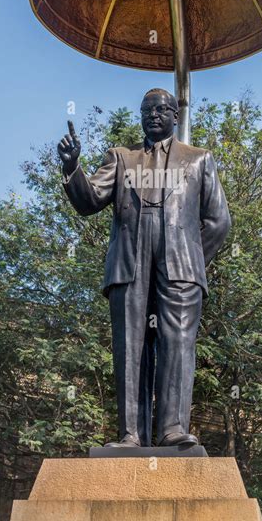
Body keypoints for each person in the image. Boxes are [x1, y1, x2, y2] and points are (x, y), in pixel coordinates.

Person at [58, 88, 231, 447]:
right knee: (128, 344)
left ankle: (173, 429)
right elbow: (90, 200)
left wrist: (193, 260)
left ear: (175, 116)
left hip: (180, 260)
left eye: (162, 109)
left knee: (178, 341)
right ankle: (130, 434)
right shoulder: (121, 158)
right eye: (146, 110)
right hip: (130, 259)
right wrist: (73, 167)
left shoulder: (199, 159)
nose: (153, 115)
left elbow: (218, 222)